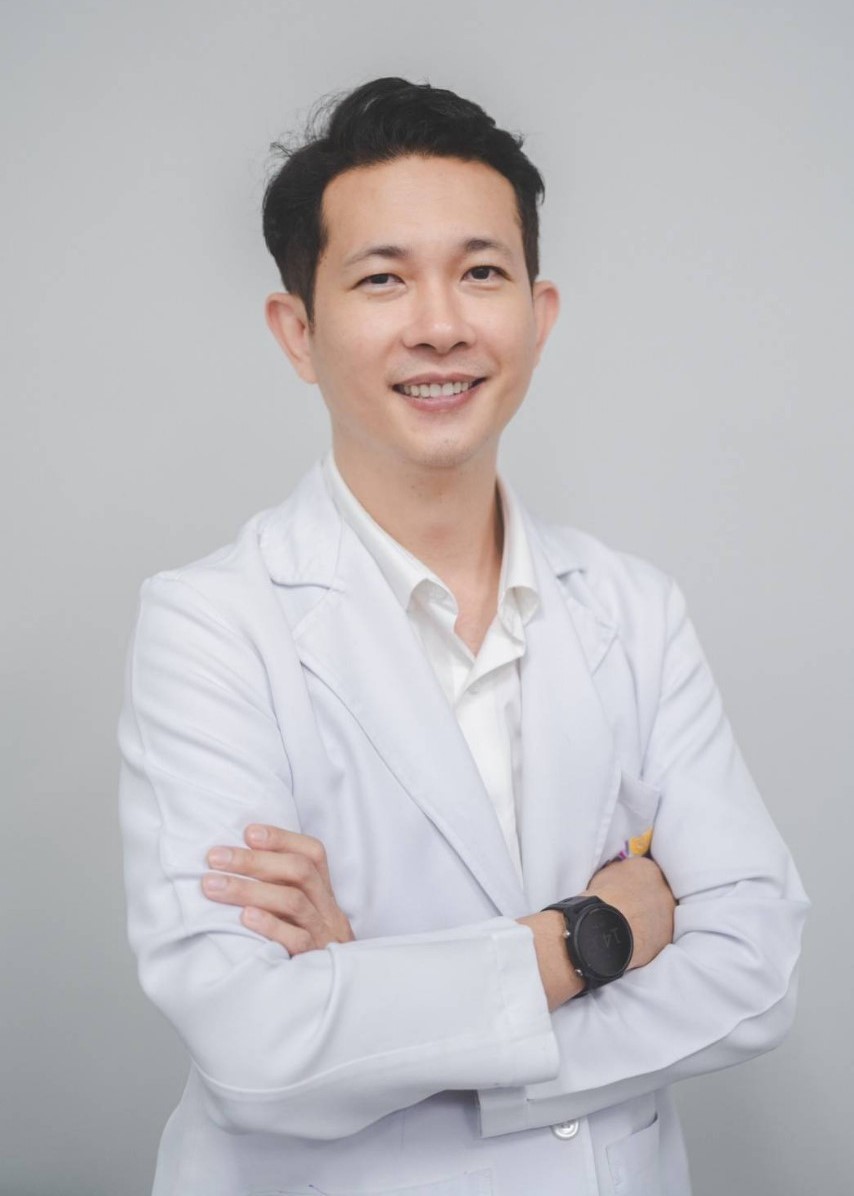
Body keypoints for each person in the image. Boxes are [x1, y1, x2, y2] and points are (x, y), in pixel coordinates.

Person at [118, 77, 808, 1196]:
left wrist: (386, 1009)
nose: (439, 324)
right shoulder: (211, 625)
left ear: (538, 314)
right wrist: (592, 936)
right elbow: (254, 1048)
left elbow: (756, 966)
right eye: (381, 278)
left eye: (481, 272)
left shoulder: (633, 607)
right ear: (297, 331)